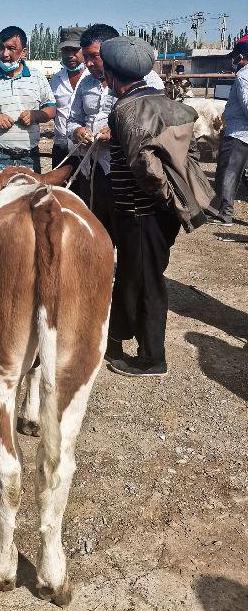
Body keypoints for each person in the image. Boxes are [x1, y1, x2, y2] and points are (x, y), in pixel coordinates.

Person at [100, 36, 218, 377]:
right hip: (160, 215)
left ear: (110, 75)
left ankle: (153, 357)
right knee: (133, 276)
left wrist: (163, 197)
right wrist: (175, 203)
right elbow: (191, 156)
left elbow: (144, 166)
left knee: (146, 281)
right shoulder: (169, 104)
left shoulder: (125, 110)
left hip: (141, 213)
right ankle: (115, 339)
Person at [66, 24, 165, 241]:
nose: (89, 63)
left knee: (128, 231)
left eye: (94, 56)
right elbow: (72, 120)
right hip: (91, 169)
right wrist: (78, 132)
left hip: (128, 171)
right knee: (94, 228)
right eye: (86, 58)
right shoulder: (85, 83)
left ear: (112, 52)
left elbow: (157, 125)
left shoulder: (145, 79)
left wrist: (117, 133)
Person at [0, 25, 56, 202]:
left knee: (29, 210)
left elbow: (51, 109)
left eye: (11, 49)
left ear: (24, 52)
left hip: (29, 158)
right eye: (2, 47)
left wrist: (35, 115)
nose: (5, 53)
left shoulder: (37, 78)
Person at [208, 35, 248, 226]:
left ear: (241, 56)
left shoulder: (243, 76)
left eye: (235, 57)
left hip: (239, 133)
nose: (234, 61)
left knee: (228, 173)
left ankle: (226, 214)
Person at [49, 26, 88, 169]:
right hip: (61, 147)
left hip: (88, 148)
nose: (70, 55)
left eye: (75, 50)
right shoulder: (55, 80)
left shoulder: (93, 78)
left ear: (84, 50)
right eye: (66, 50)